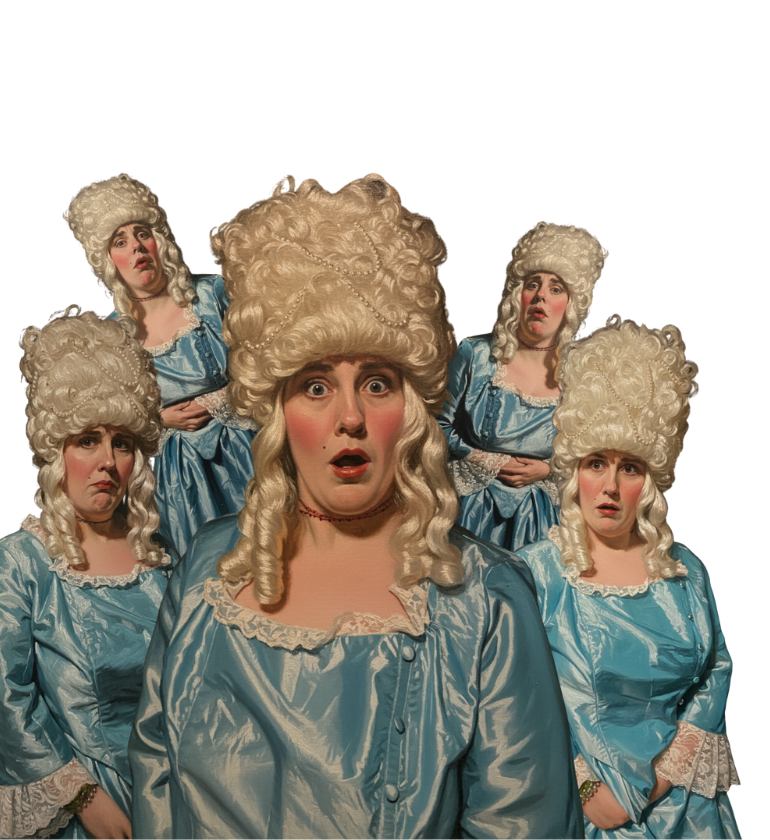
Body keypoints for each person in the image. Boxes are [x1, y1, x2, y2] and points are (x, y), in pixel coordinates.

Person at [129, 175, 582, 839]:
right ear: (277, 408)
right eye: (315, 386)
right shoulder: (206, 573)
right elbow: (157, 782)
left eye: (376, 383)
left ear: (415, 408)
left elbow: (524, 820)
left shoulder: (483, 599)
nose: (350, 417)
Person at [0, 309, 174, 839]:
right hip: (58, 798)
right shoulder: (16, 565)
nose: (107, 462)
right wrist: (83, 799)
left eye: (121, 443)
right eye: (87, 440)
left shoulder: (163, 564)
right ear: (57, 452)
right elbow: (2, 701)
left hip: (157, 792)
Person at [517, 317, 739, 838]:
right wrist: (586, 789)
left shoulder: (684, 571)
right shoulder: (536, 573)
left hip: (686, 810)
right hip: (584, 812)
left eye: (630, 468)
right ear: (574, 470)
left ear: (650, 481)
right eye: (596, 463)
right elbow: (517, 699)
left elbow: (716, 672)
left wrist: (660, 779)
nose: (610, 486)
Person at [66, 174, 255, 555]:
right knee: (203, 569)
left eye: (142, 233)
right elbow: (105, 423)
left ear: (160, 239)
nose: (136, 247)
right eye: (120, 241)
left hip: (248, 453)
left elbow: (268, 363)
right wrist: (158, 421)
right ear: (107, 260)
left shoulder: (212, 296)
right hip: (180, 482)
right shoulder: (112, 337)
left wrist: (216, 402)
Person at [439, 222, 605, 550]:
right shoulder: (476, 354)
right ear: (518, 295)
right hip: (469, 513)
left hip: (545, 523)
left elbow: (596, 458)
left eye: (556, 288)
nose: (541, 295)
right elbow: (436, 426)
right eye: (533, 284)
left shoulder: (584, 374)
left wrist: (547, 469)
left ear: (571, 304)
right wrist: (489, 461)